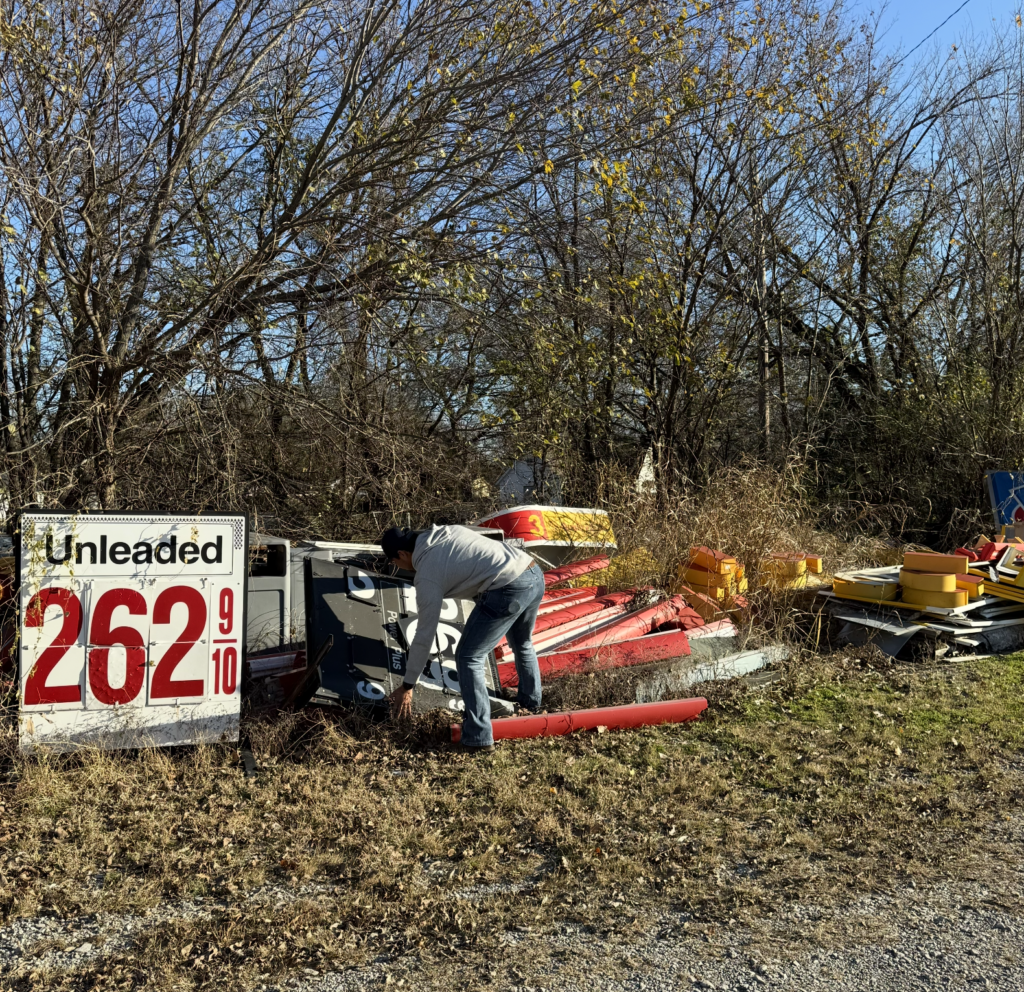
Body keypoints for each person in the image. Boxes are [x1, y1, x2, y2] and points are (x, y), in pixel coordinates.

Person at [380, 524, 545, 752]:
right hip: (532, 571)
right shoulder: (442, 533)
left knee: (469, 657)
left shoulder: (427, 574)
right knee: (522, 642)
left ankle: (478, 739)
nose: (395, 567)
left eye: (393, 562)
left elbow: (424, 634)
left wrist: (408, 685)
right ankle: (531, 704)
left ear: (401, 554)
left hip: (508, 586)